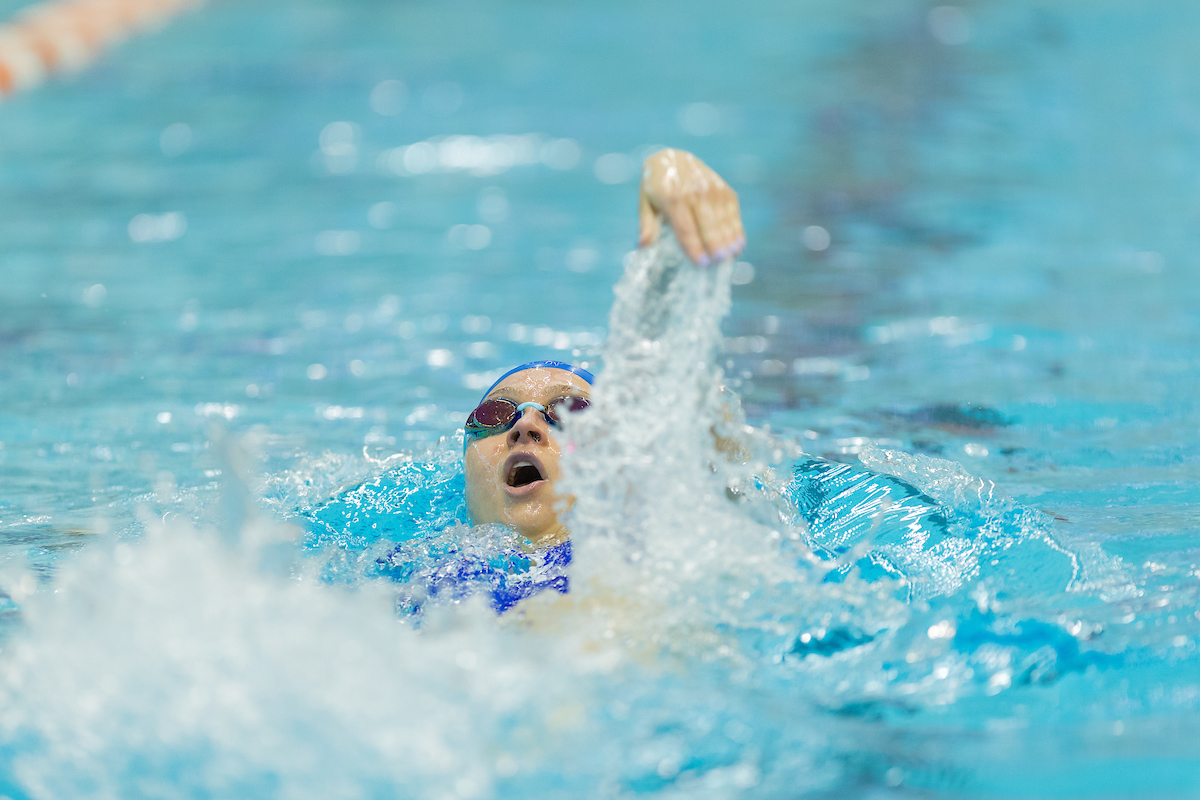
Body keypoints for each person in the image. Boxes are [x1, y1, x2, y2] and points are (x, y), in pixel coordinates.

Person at [462, 148, 745, 548]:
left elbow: (715, 434)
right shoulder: (397, 576)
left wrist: (671, 207)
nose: (525, 427)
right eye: (494, 414)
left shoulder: (654, 551)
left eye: (571, 411)